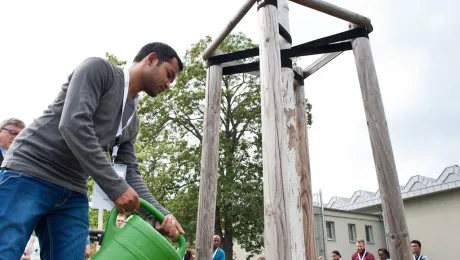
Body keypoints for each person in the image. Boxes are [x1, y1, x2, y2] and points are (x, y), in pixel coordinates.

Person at [0, 42, 185, 260]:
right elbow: (73, 124)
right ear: (151, 59)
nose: (169, 84)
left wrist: (160, 215)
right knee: (5, 250)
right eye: (168, 74)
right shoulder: (99, 70)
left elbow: (129, 172)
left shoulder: (132, 122)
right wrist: (115, 187)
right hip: (31, 172)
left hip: (72, 190)